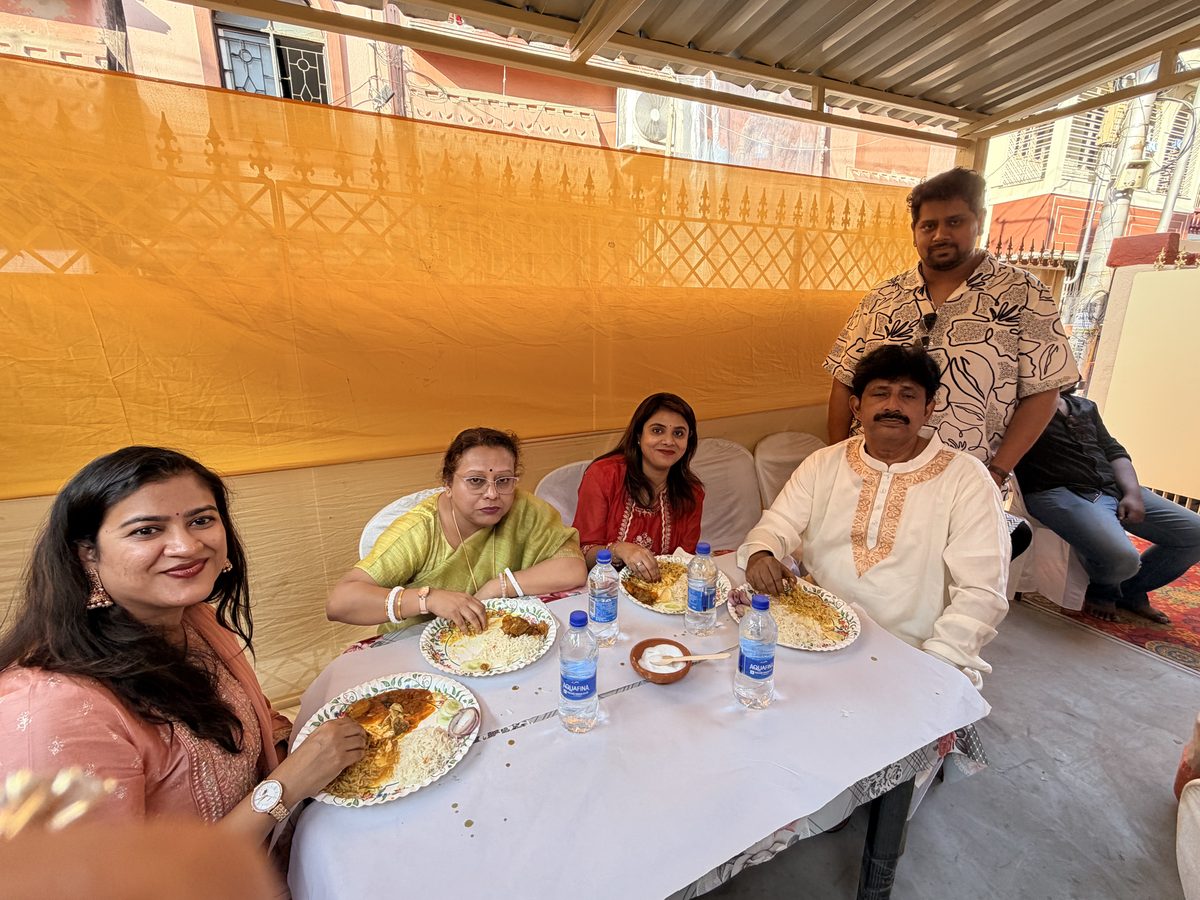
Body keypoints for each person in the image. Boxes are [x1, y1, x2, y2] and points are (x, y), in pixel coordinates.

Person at [0, 447, 365, 835]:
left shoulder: (194, 620)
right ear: (87, 553)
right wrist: (287, 785)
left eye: (201, 520)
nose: (187, 546)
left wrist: (307, 747)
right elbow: (120, 873)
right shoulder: (53, 710)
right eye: (146, 530)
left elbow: (251, 717)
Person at [739, 345, 1009, 687]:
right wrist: (761, 553)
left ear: (928, 409)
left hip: (913, 653)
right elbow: (777, 524)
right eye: (880, 393)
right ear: (857, 407)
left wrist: (938, 663)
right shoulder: (824, 463)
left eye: (908, 395)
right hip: (818, 630)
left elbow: (982, 591)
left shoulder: (966, 478)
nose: (893, 406)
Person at [823, 167, 1079, 494]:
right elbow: (844, 379)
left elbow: (1043, 392)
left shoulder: (1024, 294)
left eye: (954, 222)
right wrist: (840, 460)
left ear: (979, 221)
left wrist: (997, 472)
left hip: (966, 484)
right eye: (929, 225)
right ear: (914, 231)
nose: (940, 235)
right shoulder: (882, 298)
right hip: (873, 477)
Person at [327, 427, 587, 634]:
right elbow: (340, 602)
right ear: (448, 483)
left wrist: (498, 586)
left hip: (496, 639)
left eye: (504, 480)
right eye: (475, 481)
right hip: (417, 647)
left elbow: (572, 568)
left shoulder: (524, 509)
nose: (492, 493)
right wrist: (427, 599)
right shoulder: (420, 530)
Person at [1015, 386, 1200, 623]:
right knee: (1123, 558)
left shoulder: (1085, 406)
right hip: (1058, 491)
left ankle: (1129, 590)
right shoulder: (1017, 407)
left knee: (1195, 534)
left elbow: (1114, 452)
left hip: (1113, 488)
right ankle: (1103, 589)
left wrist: (1132, 493)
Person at [572, 392, 705, 582]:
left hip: (661, 591)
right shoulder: (603, 475)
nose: (669, 441)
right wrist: (618, 549)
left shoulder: (691, 492)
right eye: (657, 431)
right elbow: (581, 554)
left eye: (678, 433)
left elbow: (684, 559)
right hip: (603, 589)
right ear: (638, 435)